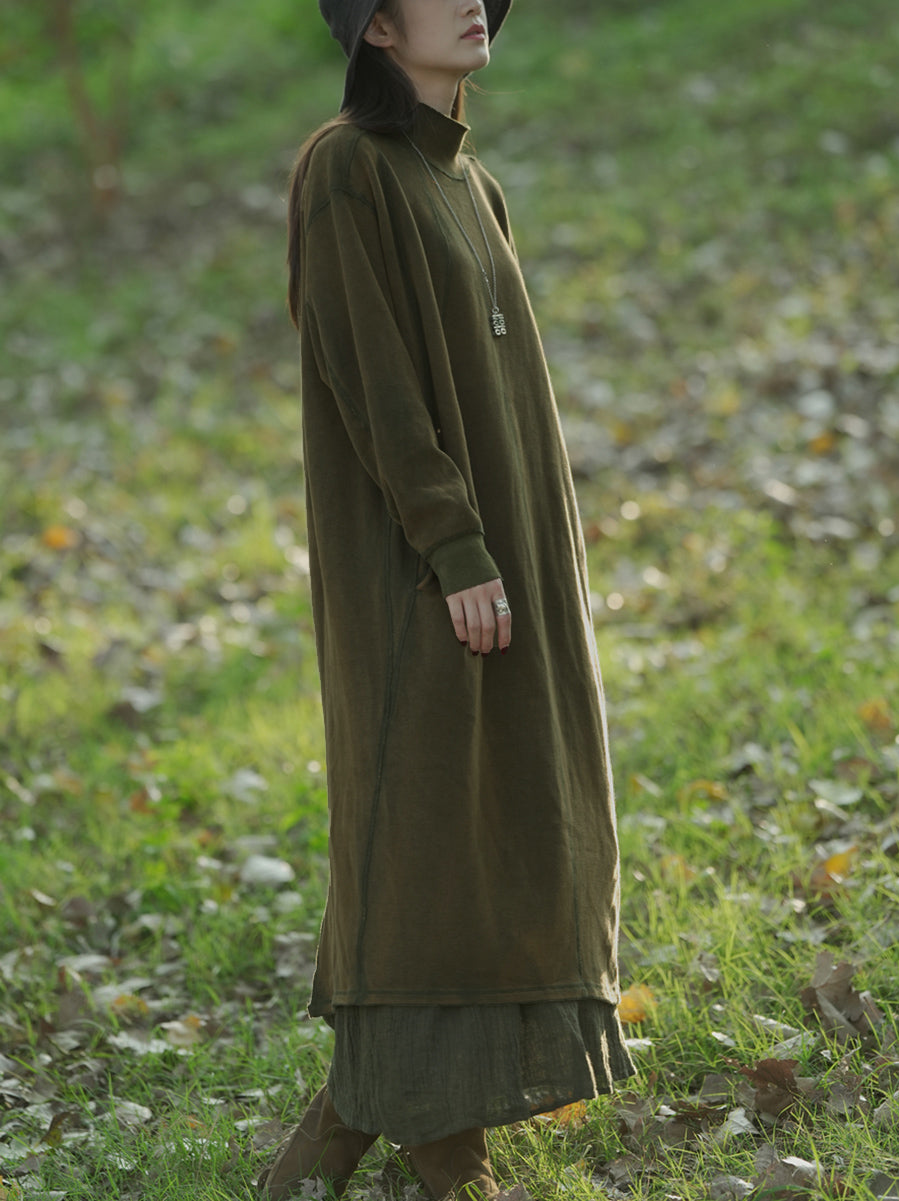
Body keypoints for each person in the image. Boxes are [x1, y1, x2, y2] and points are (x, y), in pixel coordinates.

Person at [257, 1, 634, 1197]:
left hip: (516, 553)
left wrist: (517, 552)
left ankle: (342, 1131)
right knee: (425, 833)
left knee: (515, 822)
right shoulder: (346, 171)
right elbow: (369, 377)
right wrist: (453, 544)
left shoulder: (476, 188)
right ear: (376, 29)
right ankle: (441, 1147)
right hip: (418, 562)